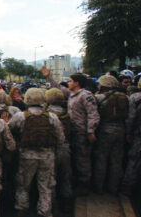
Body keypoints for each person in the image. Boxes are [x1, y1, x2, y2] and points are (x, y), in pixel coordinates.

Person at [42, 66, 99, 196]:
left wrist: (91, 131)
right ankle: (76, 183)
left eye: (70, 81)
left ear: (77, 83)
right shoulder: (72, 94)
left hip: (82, 132)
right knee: (74, 158)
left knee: (83, 159)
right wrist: (48, 77)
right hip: (72, 131)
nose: (68, 83)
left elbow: (93, 114)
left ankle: (84, 185)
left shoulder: (86, 95)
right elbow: (58, 87)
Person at [8, 88, 65, 217]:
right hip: (47, 156)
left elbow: (9, 131)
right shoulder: (52, 117)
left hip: (27, 156)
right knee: (45, 187)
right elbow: (61, 139)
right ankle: (45, 211)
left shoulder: (21, 116)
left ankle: (21, 209)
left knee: (23, 185)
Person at [93, 75, 128, 195]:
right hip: (121, 129)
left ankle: (98, 187)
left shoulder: (99, 97)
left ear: (103, 86)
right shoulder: (124, 97)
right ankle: (113, 188)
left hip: (105, 130)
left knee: (101, 159)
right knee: (116, 160)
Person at [45, 88, 73, 213]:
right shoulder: (67, 114)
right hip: (65, 147)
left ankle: (53, 205)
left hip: (50, 148)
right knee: (66, 177)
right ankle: (67, 202)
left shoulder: (46, 114)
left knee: (51, 178)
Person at [123, 79, 141, 195]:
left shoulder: (135, 98)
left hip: (138, 134)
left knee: (134, 161)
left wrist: (128, 132)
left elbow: (131, 117)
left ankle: (128, 187)